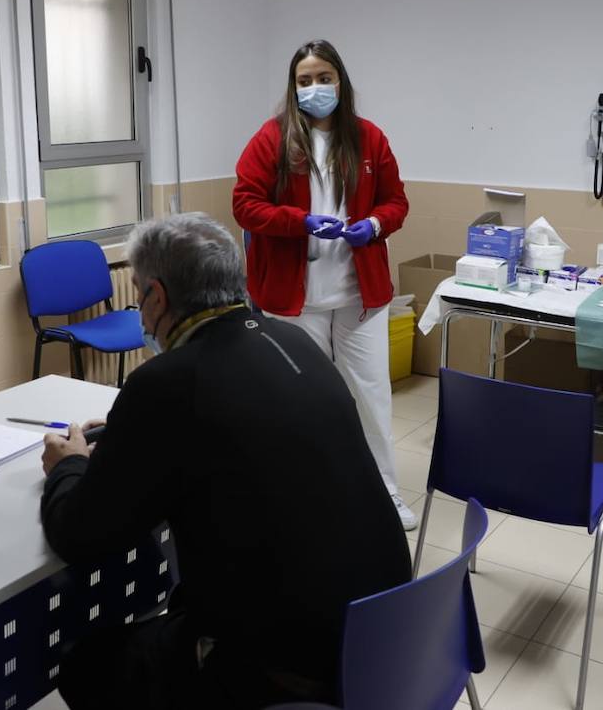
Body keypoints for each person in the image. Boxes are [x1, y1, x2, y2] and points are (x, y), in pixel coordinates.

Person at [40, 213, 411, 710]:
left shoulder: (166, 383)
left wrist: (68, 464)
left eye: (137, 296)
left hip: (290, 671)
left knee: (87, 664)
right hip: (388, 637)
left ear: (158, 296)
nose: (140, 314)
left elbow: (79, 533)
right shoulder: (293, 341)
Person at [232, 39, 415, 529]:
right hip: (296, 298)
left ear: (341, 81)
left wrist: (374, 226)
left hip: (359, 295)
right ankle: (305, 494)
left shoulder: (368, 138)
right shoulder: (272, 139)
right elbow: (245, 205)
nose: (315, 88)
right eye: (305, 80)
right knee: (301, 400)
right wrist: (300, 221)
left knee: (371, 394)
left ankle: (385, 493)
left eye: (324, 78)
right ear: (294, 88)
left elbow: (396, 202)